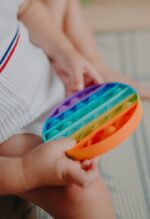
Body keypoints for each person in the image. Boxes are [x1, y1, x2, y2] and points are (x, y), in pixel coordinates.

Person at [0, 0, 148, 218]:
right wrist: (26, 170)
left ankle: (96, 67)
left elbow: (27, 7)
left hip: (48, 74)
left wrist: (65, 52)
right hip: (13, 137)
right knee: (81, 191)